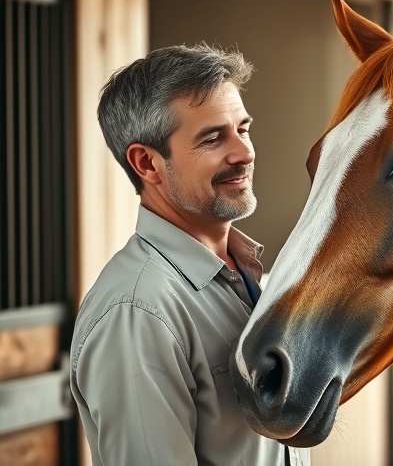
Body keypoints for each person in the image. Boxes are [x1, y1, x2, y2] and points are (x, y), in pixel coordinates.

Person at [69, 44, 309, 465]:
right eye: (213, 138)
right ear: (147, 163)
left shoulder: (248, 273)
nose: (245, 153)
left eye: (244, 129)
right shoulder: (137, 312)